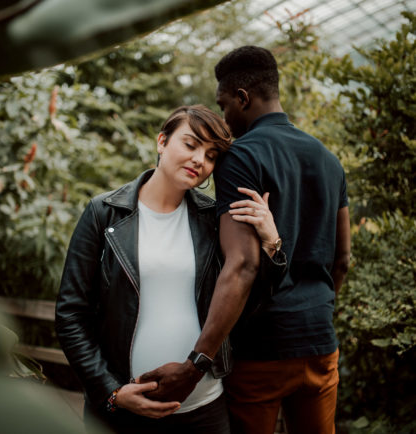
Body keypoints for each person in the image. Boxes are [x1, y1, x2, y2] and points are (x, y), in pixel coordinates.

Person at [140, 47, 351, 434]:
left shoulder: (241, 157)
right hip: (320, 345)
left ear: (242, 97)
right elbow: (342, 260)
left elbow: (243, 265)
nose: (225, 119)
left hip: (261, 352)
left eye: (224, 106)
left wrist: (195, 366)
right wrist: (316, 310)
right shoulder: (329, 160)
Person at [55, 104, 286, 434]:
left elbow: (246, 304)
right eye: (190, 145)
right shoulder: (103, 213)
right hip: (121, 412)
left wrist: (271, 244)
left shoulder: (214, 220)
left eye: (211, 155)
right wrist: (111, 392)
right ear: (162, 142)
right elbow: (70, 314)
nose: (199, 161)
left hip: (204, 410)